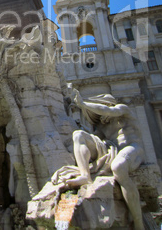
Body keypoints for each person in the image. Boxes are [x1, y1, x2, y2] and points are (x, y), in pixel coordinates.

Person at [52, 91, 145, 230]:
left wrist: (83, 104)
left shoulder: (122, 110)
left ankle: (138, 222)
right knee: (78, 135)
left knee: (118, 167)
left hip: (132, 148)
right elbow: (94, 138)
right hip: (112, 149)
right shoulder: (102, 126)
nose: (100, 118)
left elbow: (109, 110)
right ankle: (85, 175)